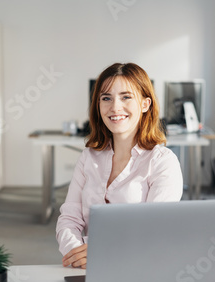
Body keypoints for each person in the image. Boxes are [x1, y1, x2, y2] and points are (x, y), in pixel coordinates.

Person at [56, 63, 183, 268]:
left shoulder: (162, 161)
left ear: (145, 104)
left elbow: (155, 230)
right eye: (106, 98)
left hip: (138, 268)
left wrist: (101, 253)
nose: (115, 107)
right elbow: (69, 218)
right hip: (86, 268)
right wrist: (75, 253)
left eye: (126, 97)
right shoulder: (89, 157)